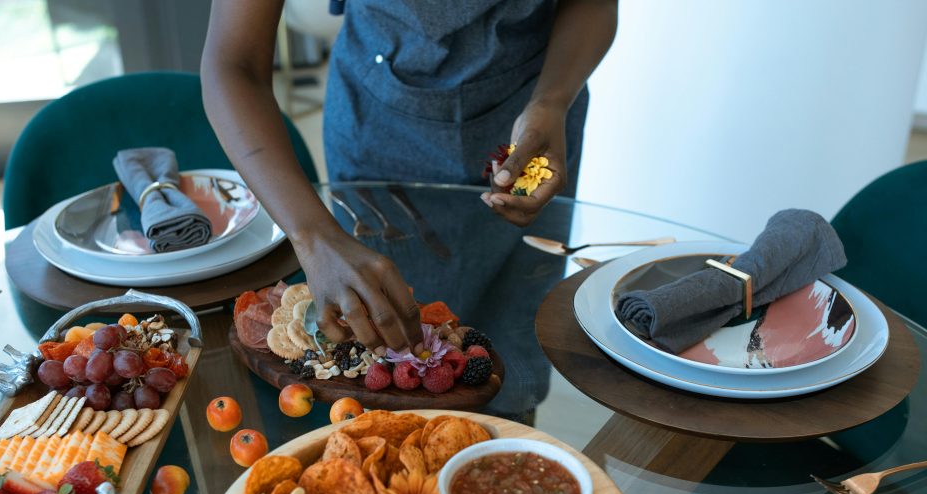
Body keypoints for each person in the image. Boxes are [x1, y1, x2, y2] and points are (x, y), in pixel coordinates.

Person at [201, 0, 618, 352]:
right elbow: (233, 61)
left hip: (536, 114)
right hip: (380, 129)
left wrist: (553, 101)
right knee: (386, 359)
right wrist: (312, 235)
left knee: (512, 361)